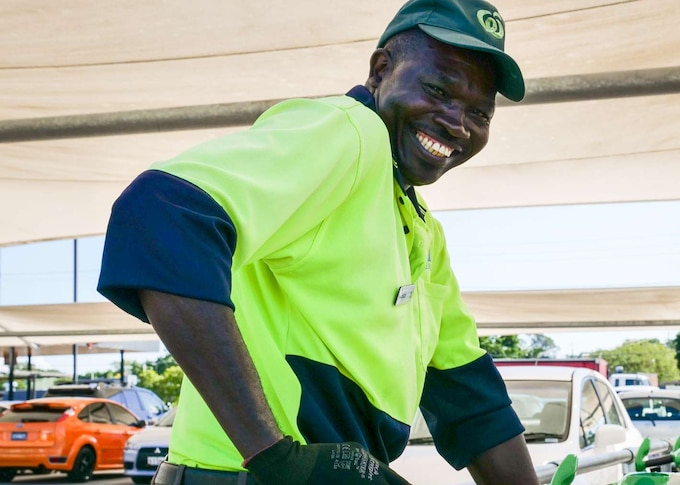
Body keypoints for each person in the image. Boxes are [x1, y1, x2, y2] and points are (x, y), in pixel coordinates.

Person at [97, 0, 538, 483]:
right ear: (380, 70)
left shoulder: (421, 229)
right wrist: (275, 457)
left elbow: (471, 400)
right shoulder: (353, 133)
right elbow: (163, 214)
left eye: (480, 113)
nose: (457, 124)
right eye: (437, 89)